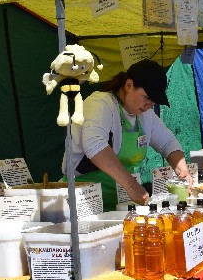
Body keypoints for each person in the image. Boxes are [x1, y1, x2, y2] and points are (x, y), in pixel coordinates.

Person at [67, 59, 192, 210]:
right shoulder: (100, 104)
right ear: (129, 85)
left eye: (154, 101)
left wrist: (182, 171)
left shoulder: (145, 114)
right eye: (147, 98)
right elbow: (94, 146)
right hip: (85, 203)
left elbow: (167, 143)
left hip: (121, 203)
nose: (149, 105)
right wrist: (132, 186)